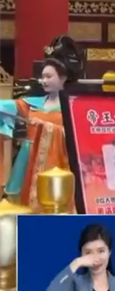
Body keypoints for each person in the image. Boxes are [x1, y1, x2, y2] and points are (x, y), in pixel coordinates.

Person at [1, 36, 82, 211]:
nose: (43, 81)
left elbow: (78, 138)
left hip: (60, 164)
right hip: (28, 160)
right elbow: (5, 107)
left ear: (63, 77)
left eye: (49, 76)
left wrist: (46, 127)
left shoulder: (73, 106)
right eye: (42, 77)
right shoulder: (32, 103)